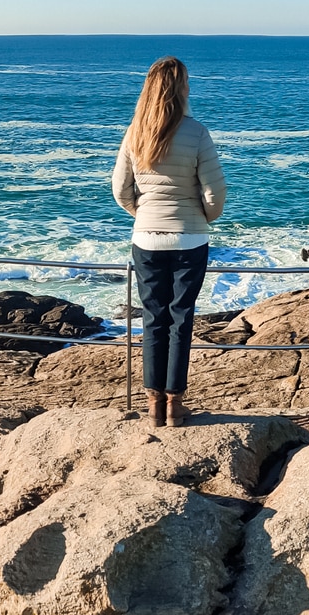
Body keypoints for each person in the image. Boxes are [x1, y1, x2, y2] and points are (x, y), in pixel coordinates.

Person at [112, 56, 226, 426]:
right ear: (182, 90)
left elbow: (120, 190)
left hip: (146, 237)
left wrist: (143, 215)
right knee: (181, 319)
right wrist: (199, 219)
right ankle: (175, 404)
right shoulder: (197, 133)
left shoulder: (135, 133)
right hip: (189, 237)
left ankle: (152, 405)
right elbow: (215, 195)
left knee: (152, 319)